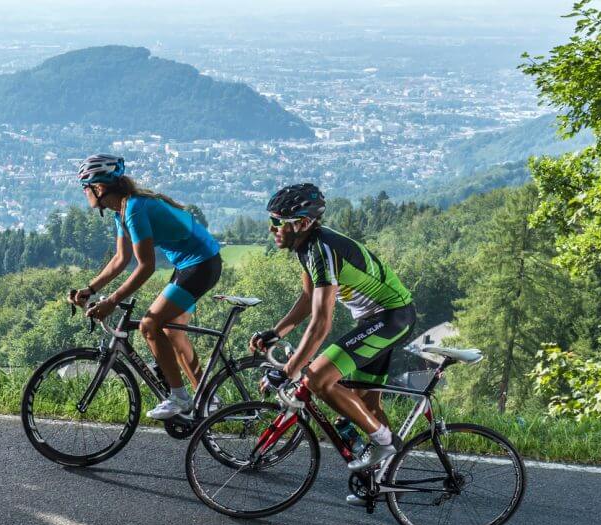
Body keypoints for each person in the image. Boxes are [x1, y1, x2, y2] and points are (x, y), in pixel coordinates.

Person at [250, 183, 416, 503]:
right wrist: (277, 331)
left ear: (301, 223)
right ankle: (380, 484)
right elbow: (307, 298)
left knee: (317, 379)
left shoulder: (322, 250)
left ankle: (384, 442)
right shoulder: (308, 248)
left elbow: (320, 323)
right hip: (379, 319)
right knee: (367, 406)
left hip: (390, 318)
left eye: (278, 222)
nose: (272, 229)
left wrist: (290, 369)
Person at [69, 154, 222, 419]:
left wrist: (112, 300)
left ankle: (180, 398)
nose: (84, 193)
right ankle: (208, 398)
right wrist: (90, 290)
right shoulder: (123, 210)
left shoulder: (135, 209)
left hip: (200, 263)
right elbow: (120, 259)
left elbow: (146, 266)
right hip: (194, 262)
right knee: (172, 331)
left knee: (149, 325)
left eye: (85, 187)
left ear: (99, 188)